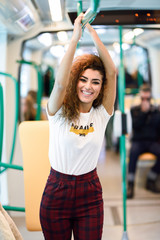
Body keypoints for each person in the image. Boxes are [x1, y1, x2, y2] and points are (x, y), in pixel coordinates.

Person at [40, 13, 116, 240]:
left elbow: (112, 72)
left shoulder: (102, 114)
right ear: (76, 81)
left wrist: (92, 32)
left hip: (89, 191)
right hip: (56, 191)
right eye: (83, 79)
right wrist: (75, 37)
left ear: (101, 87)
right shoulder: (58, 112)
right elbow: (61, 82)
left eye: (95, 82)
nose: (88, 87)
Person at [127, 84, 160, 199]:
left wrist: (152, 112)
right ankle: (130, 184)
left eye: (147, 99)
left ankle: (150, 179)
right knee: (133, 153)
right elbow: (135, 126)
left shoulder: (156, 111)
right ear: (140, 98)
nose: (145, 101)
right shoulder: (134, 110)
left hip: (152, 142)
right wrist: (143, 113)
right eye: (143, 99)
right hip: (138, 141)